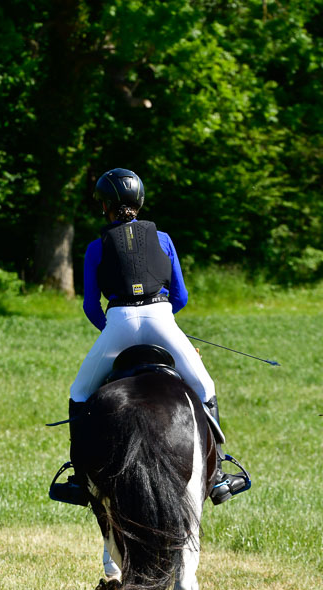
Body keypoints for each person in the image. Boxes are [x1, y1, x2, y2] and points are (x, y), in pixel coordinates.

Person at [49, 168, 249, 507]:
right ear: (139, 202)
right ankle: (216, 478)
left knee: (80, 392)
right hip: (161, 318)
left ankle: (80, 480)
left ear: (105, 208)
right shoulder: (164, 238)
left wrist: (114, 330)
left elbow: (89, 304)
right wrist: (163, 325)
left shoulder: (96, 247)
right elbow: (181, 297)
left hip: (119, 323)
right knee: (205, 387)